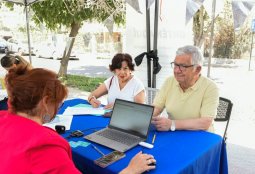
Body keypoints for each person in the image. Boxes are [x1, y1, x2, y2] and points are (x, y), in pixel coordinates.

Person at [0, 67, 156, 173]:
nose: (59, 108)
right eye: (59, 103)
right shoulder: (45, 146)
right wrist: (131, 170)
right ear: (46, 102)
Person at [151, 45, 219, 132]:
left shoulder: (210, 87)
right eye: (175, 65)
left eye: (183, 66)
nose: (176, 70)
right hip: (174, 133)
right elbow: (156, 107)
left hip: (200, 136)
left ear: (197, 69)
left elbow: (205, 123)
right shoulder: (169, 81)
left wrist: (172, 124)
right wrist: (143, 116)